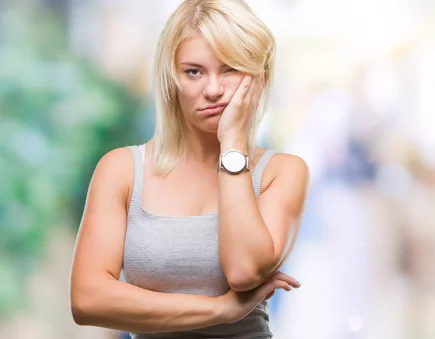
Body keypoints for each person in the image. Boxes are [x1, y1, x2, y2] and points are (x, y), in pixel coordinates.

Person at [68, 1, 309, 338]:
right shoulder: (121, 170)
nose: (213, 90)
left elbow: (243, 271)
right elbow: (87, 299)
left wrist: (233, 145)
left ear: (258, 76)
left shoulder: (281, 172)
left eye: (230, 69)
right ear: (172, 78)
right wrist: (220, 310)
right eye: (194, 71)